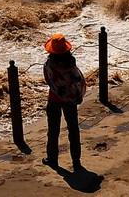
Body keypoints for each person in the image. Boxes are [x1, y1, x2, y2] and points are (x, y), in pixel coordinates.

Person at [42, 32, 86, 171]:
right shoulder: (71, 63)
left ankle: (52, 159)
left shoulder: (49, 64)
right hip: (71, 100)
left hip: (54, 99)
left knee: (53, 130)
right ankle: (76, 161)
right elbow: (78, 80)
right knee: (73, 129)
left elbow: (49, 81)